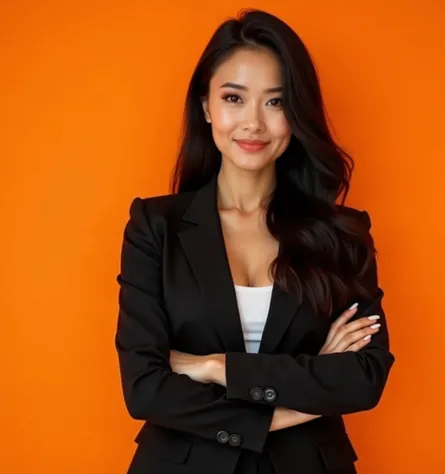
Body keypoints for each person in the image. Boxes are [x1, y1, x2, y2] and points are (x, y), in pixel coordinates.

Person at [115, 8, 395, 474]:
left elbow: (363, 378)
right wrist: (302, 396)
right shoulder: (155, 226)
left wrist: (215, 367)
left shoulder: (342, 233)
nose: (253, 124)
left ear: (296, 113)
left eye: (275, 102)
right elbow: (145, 388)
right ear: (206, 106)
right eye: (233, 97)